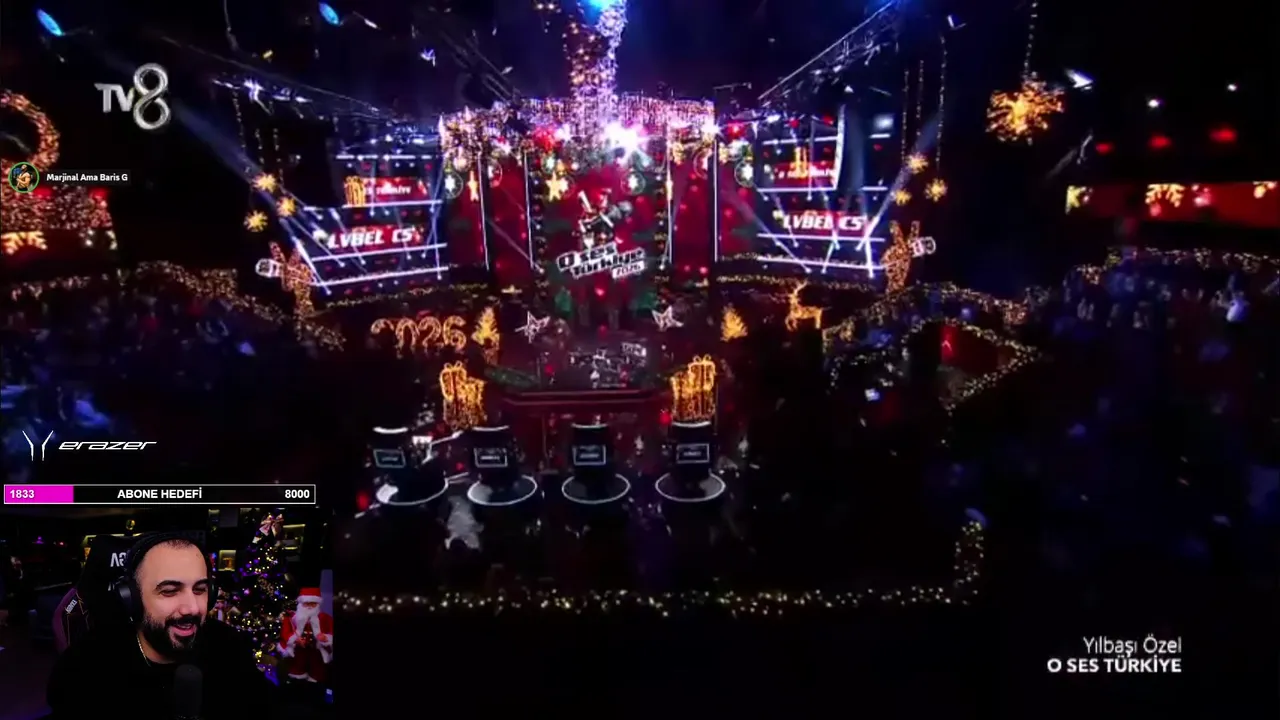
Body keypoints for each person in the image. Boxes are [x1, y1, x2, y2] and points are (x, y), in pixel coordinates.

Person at [46, 533, 281, 719]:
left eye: (200, 589)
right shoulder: (85, 665)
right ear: (131, 598)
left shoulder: (229, 646)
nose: (192, 608)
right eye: (169, 591)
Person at [279, 587, 333, 684]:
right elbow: (285, 632)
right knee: (297, 665)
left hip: (316, 649)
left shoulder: (325, 618)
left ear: (318, 604)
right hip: (299, 648)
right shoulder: (292, 618)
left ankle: (315, 680)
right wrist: (295, 639)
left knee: (317, 667)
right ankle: (297, 679)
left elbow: (331, 631)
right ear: (301, 604)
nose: (309, 606)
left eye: (313, 604)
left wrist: (325, 637)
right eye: (306, 603)